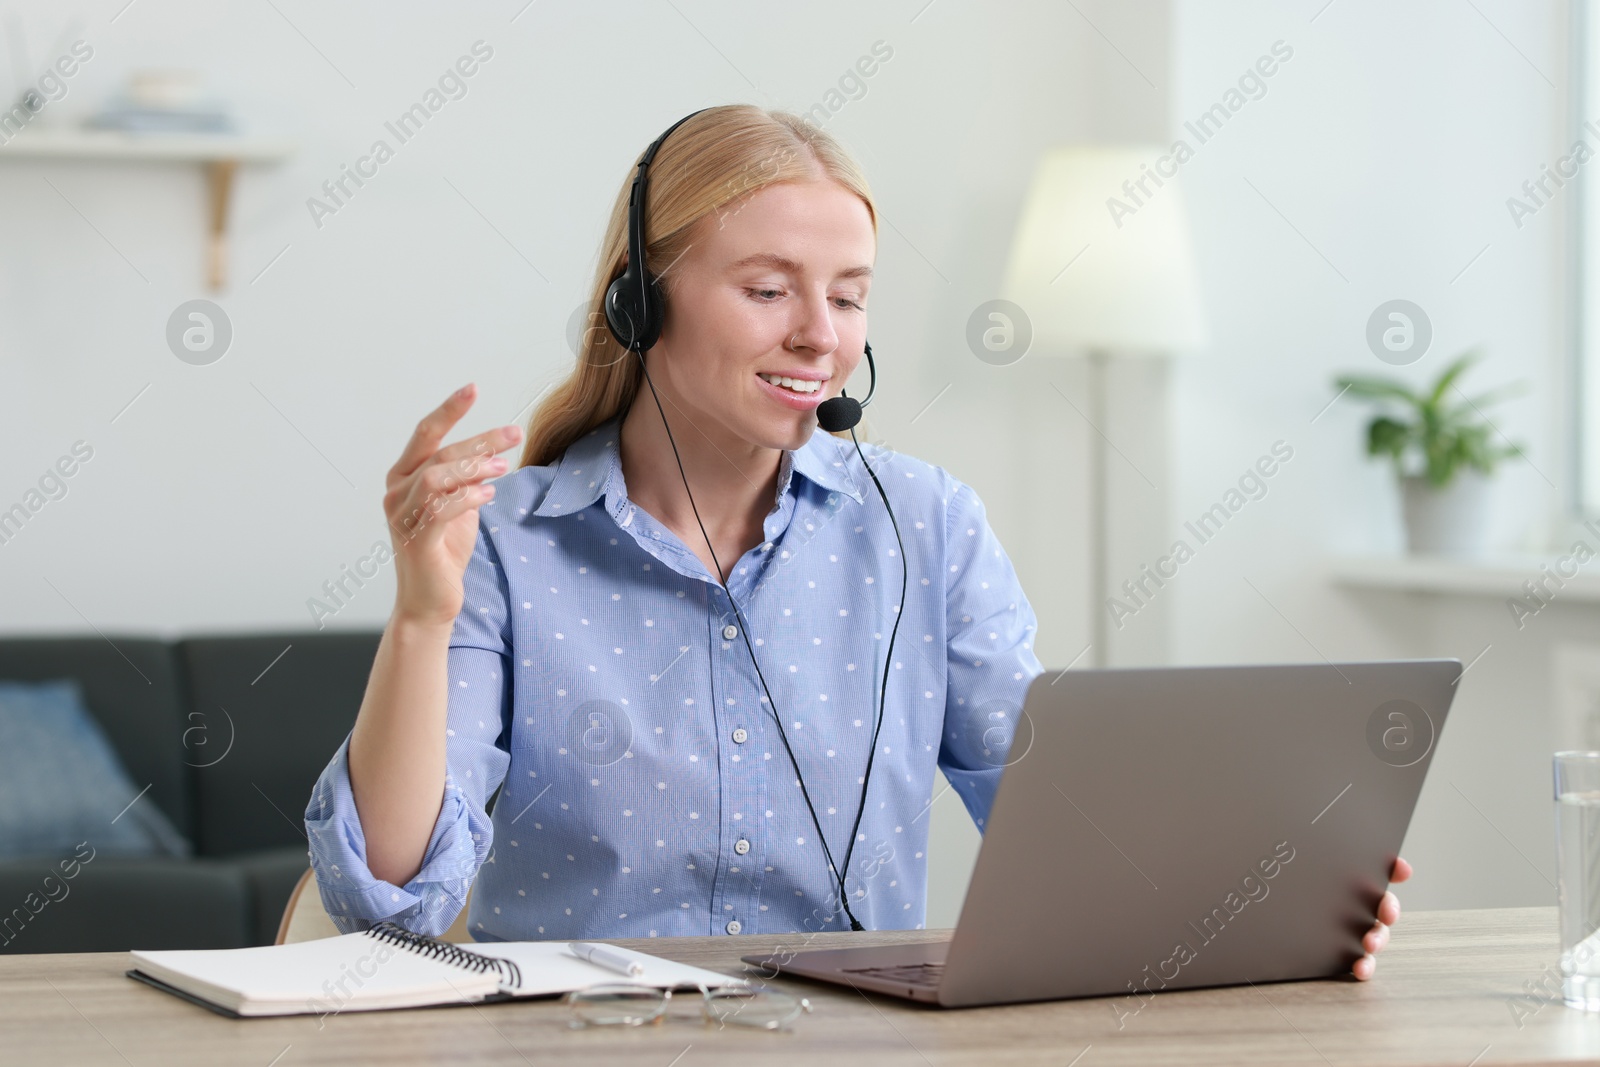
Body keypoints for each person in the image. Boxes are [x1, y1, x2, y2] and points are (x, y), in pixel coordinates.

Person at [303, 104, 1406, 977]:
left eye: (849, 295)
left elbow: (1055, 820)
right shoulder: (510, 542)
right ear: (640, 301)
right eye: (768, 288)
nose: (819, 337)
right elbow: (386, 896)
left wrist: (1272, 895)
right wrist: (420, 615)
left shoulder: (925, 525)